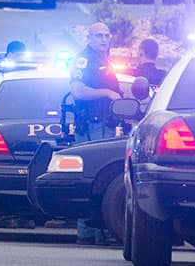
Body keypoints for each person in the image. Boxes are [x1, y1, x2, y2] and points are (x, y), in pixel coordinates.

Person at [70, 22, 122, 245]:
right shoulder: (84, 59)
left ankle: (100, 229)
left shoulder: (106, 60)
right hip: (91, 126)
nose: (104, 39)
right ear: (89, 37)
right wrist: (107, 93)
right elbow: (77, 91)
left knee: (104, 178)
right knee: (92, 176)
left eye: (107, 34)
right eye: (98, 35)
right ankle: (88, 231)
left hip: (105, 125)